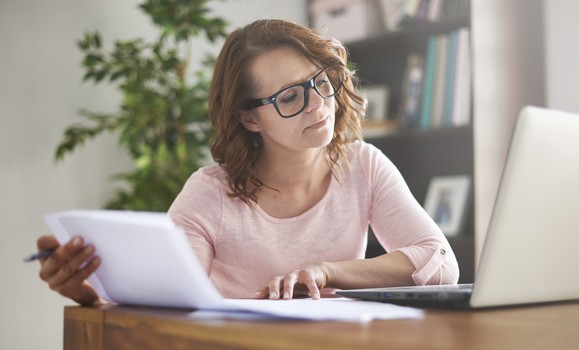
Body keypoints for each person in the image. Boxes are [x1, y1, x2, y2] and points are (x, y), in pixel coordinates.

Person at [36, 19, 459, 305]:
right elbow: (163, 298)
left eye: (321, 82)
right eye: (291, 97)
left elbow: (440, 263)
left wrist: (327, 271)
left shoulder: (363, 166)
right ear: (248, 117)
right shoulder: (210, 193)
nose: (317, 105)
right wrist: (88, 294)